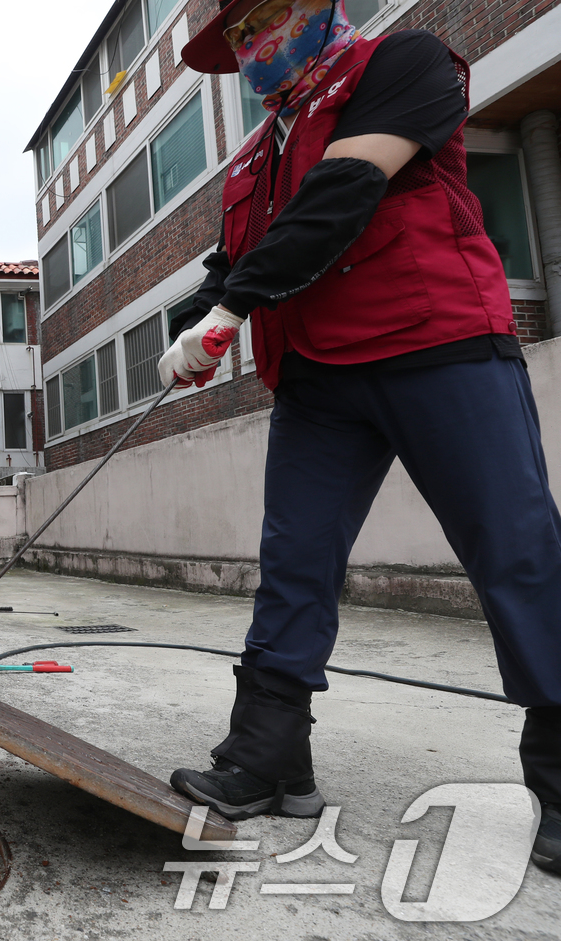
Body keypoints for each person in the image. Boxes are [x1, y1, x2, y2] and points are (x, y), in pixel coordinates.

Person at [160, 0, 561, 871]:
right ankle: (268, 756)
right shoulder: (261, 148)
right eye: (236, 34)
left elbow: (344, 192)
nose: (251, 41)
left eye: (264, 16)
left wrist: (229, 311)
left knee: (514, 547)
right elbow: (237, 263)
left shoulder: (400, 64)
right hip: (318, 375)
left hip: (437, 341)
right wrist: (193, 319)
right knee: (295, 558)